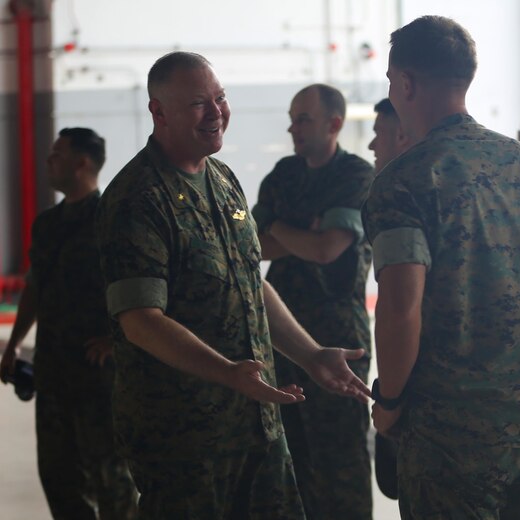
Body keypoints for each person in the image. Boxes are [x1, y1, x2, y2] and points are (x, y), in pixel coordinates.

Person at [363, 15, 520, 518]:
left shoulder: (405, 182)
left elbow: (399, 307)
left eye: (392, 82)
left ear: (406, 83)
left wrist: (390, 402)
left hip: (450, 446)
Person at [95, 52, 370, 519]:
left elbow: (249, 282)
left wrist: (310, 354)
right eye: (199, 103)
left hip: (257, 426)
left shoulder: (223, 181)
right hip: (186, 438)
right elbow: (141, 321)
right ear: (159, 112)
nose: (216, 113)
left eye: (220, 98)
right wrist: (227, 372)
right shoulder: (138, 198)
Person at [249, 83, 374, 520]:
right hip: (282, 334)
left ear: (334, 123)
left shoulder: (355, 176)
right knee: (290, 454)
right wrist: (300, 229)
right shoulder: (282, 175)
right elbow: (251, 247)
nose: (292, 127)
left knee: (341, 457)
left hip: (338, 333)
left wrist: (279, 226)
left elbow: (328, 250)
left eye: (303, 118)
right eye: (292, 117)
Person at [0, 128, 138, 519]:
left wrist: (117, 341)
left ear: (82, 163)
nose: (49, 161)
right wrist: (13, 346)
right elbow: (35, 288)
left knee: (111, 480)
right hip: (53, 373)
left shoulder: (111, 218)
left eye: (57, 155)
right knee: (59, 478)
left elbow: (139, 288)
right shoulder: (47, 225)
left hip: (98, 379)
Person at [367, 97, 412, 502]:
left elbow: (401, 308)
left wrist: (390, 402)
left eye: (377, 134)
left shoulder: (400, 191)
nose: (371, 146)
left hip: (436, 422)